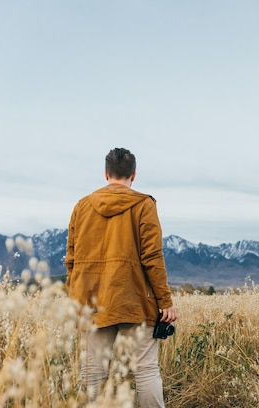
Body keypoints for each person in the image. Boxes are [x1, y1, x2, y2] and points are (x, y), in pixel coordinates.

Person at [65, 147, 176, 407]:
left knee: (91, 374)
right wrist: (165, 301)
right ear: (133, 175)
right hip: (134, 300)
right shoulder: (144, 204)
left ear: (106, 173)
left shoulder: (82, 206)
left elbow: (71, 258)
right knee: (146, 370)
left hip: (91, 301)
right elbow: (152, 257)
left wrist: (77, 296)